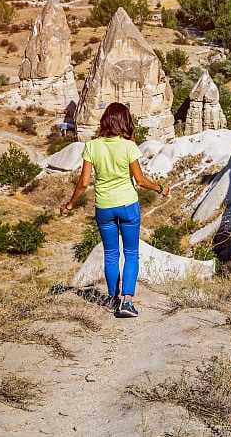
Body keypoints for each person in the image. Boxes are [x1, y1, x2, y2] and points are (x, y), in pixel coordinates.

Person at [61, 103, 169, 318]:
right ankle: (127, 302)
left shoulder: (92, 146)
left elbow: (83, 183)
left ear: (105, 121)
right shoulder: (129, 146)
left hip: (104, 207)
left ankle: (113, 299)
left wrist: (70, 205)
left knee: (111, 254)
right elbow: (139, 180)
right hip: (128, 205)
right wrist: (160, 188)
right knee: (131, 254)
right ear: (124, 121)